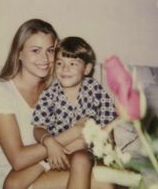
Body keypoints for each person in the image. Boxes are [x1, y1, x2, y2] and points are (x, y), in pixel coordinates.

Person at [0, 20, 115, 189]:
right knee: (100, 182)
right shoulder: (1, 91)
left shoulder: (54, 90)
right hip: (5, 175)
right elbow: (18, 160)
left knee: (104, 179)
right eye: (35, 50)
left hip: (45, 166)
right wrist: (76, 132)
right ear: (19, 53)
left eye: (50, 51)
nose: (44, 58)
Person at [32, 36, 117, 189]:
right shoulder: (49, 94)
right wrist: (50, 143)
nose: (65, 69)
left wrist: (104, 151)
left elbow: (107, 126)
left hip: (88, 152)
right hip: (58, 152)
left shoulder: (94, 89)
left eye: (73, 63)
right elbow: (38, 127)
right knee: (16, 180)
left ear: (87, 68)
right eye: (60, 63)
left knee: (81, 159)